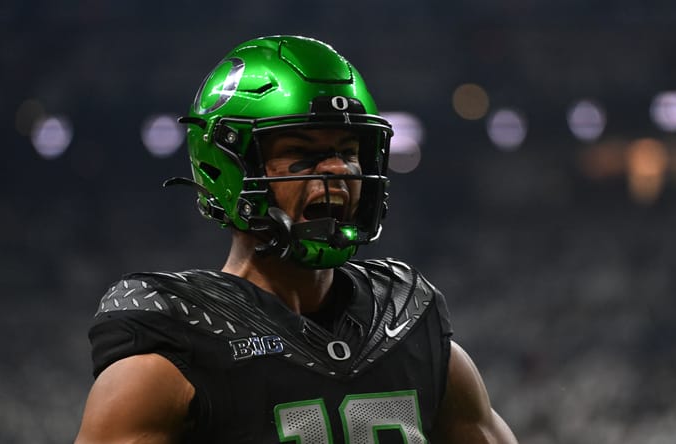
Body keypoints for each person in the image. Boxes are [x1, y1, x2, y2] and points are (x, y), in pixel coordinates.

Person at [75, 35, 517, 444]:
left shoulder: (409, 326)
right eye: (303, 152)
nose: (339, 170)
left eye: (348, 151)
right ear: (229, 168)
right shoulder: (173, 350)